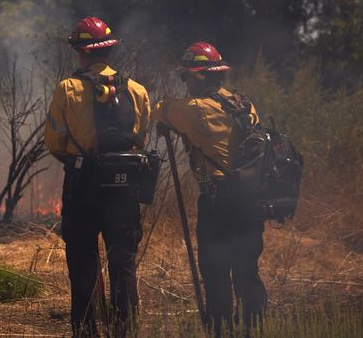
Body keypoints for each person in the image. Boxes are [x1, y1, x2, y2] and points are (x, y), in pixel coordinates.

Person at [44, 17, 151, 337]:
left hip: (83, 186)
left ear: (80, 53)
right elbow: (141, 138)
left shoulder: (67, 88)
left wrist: (80, 162)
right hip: (124, 186)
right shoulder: (137, 90)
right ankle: (125, 330)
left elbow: (54, 142)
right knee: (124, 262)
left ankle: (87, 331)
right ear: (109, 52)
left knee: (83, 262)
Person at [155, 42, 266, 336]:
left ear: (198, 77)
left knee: (216, 276)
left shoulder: (194, 110)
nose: (185, 83)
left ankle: (220, 332)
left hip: (219, 205)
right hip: (252, 203)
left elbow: (160, 111)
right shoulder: (246, 104)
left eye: (186, 77)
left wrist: (166, 105)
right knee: (247, 273)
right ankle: (255, 331)